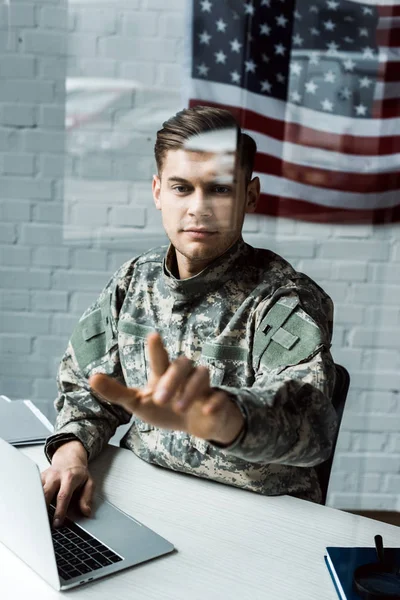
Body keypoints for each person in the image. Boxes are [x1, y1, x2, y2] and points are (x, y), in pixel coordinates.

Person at [42, 106, 337, 527]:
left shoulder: (283, 298)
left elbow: (312, 426)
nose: (199, 208)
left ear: (249, 196)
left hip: (257, 519)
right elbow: (87, 390)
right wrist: (72, 455)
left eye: (219, 190)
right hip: (143, 497)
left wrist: (222, 418)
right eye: (182, 188)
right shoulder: (133, 281)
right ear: (158, 191)